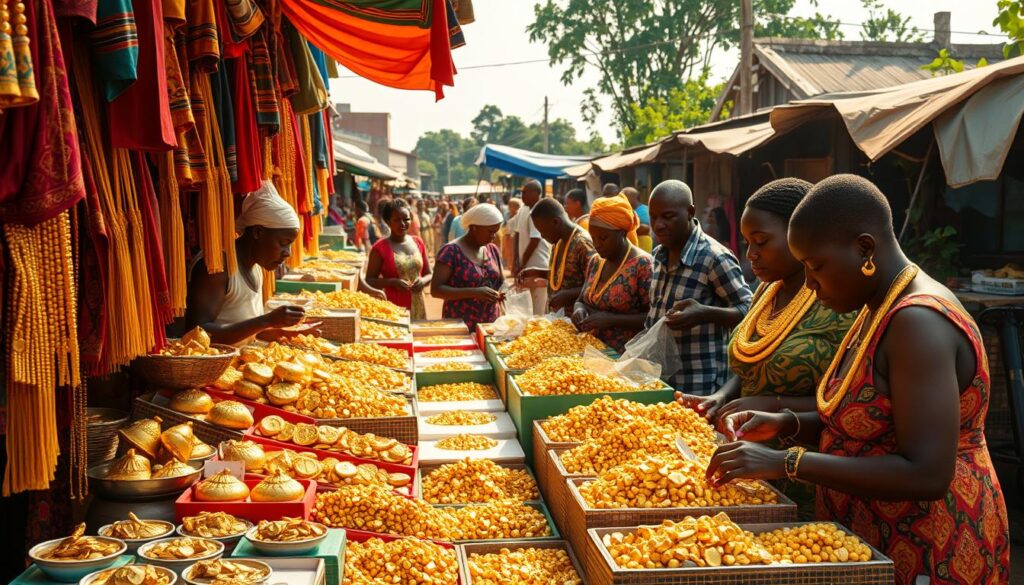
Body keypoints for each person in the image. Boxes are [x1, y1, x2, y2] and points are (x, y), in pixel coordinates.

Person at [706, 175, 1010, 585]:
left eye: (815, 267)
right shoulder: (875, 306)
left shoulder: (916, 322)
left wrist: (786, 462)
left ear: (865, 249)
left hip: (928, 545)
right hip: (872, 533)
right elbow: (870, 421)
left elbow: (926, 473)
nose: (810, 284)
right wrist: (786, 424)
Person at [677, 178, 854, 518]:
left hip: (807, 473)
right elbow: (751, 362)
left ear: (799, 234)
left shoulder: (836, 303)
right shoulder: (765, 292)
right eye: (747, 243)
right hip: (749, 467)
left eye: (761, 242)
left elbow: (844, 402)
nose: (750, 254)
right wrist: (722, 396)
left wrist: (773, 405)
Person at [646, 180, 752, 396]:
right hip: (659, 380)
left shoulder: (714, 257)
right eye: (654, 217)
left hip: (698, 383)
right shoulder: (658, 255)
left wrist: (704, 313)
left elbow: (750, 310)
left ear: (689, 212)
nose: (658, 225)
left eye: (668, 217)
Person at [186, 182, 319, 345]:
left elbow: (246, 330)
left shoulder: (256, 267)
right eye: (284, 242)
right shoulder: (218, 266)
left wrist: (283, 331)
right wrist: (267, 320)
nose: (288, 252)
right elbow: (197, 334)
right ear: (257, 232)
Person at [572, 194, 653, 352]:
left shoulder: (643, 265)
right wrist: (579, 310)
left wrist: (612, 320)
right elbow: (581, 300)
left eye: (603, 238)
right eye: (593, 238)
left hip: (625, 356)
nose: (597, 244)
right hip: (592, 351)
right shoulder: (596, 261)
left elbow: (652, 318)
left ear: (622, 233)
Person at [431, 204, 506, 330]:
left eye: (495, 231)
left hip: (490, 325)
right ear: (474, 227)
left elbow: (501, 282)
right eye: (490, 231)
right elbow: (436, 290)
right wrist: (474, 292)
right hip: (460, 325)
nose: (493, 236)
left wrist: (503, 292)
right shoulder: (450, 251)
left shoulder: (492, 250)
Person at [365, 199, 432, 320]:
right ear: (388, 222)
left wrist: (422, 281)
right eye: (397, 220)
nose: (402, 223)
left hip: (419, 305)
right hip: (394, 308)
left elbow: (429, 273)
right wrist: (391, 282)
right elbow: (369, 280)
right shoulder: (379, 248)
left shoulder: (418, 242)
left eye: (406, 219)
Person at [531, 198, 597, 314]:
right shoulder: (558, 241)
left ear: (556, 222)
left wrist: (569, 294)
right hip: (559, 321)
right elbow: (561, 276)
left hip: (579, 321)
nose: (541, 236)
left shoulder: (582, 244)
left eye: (543, 231)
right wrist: (537, 272)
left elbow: (597, 285)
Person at [514, 180, 551, 315]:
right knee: (526, 308)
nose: (522, 195)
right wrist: (516, 261)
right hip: (524, 266)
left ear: (536, 193)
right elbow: (516, 235)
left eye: (525, 193)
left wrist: (522, 264)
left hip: (538, 265)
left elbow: (535, 240)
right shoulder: (523, 210)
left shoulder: (540, 210)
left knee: (538, 307)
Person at [622, 187, 654, 253]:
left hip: (642, 249)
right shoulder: (628, 211)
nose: (621, 199)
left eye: (624, 196)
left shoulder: (644, 211)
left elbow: (647, 229)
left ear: (633, 197)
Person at [501, 197, 523, 271]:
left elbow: (508, 234)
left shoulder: (514, 220)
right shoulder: (517, 217)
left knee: (513, 259)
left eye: (510, 206)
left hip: (512, 242)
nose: (509, 208)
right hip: (514, 242)